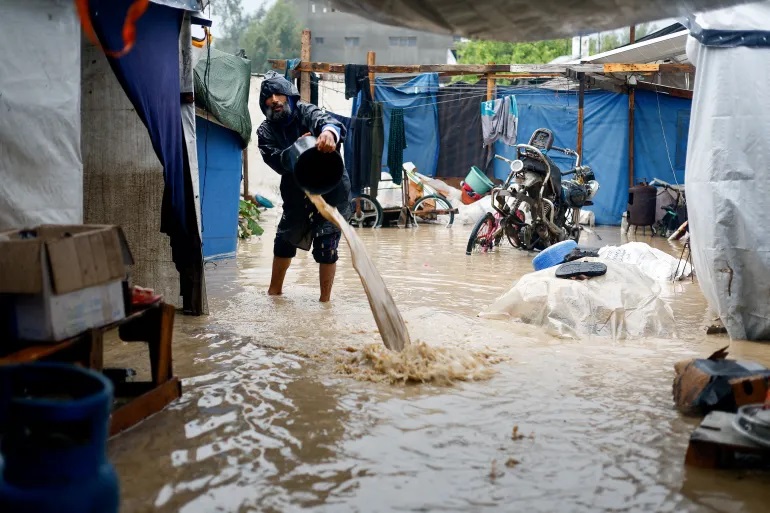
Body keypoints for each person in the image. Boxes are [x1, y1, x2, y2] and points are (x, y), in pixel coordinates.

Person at [256, 71, 351, 302]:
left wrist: (328, 133)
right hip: (296, 190)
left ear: (289, 96)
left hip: (331, 189)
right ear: (264, 104)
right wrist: (295, 149)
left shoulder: (306, 112)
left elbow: (328, 122)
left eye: (279, 94)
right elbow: (276, 161)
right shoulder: (265, 131)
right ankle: (274, 295)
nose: (275, 100)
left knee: (327, 248)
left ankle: (325, 303)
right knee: (283, 242)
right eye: (269, 97)